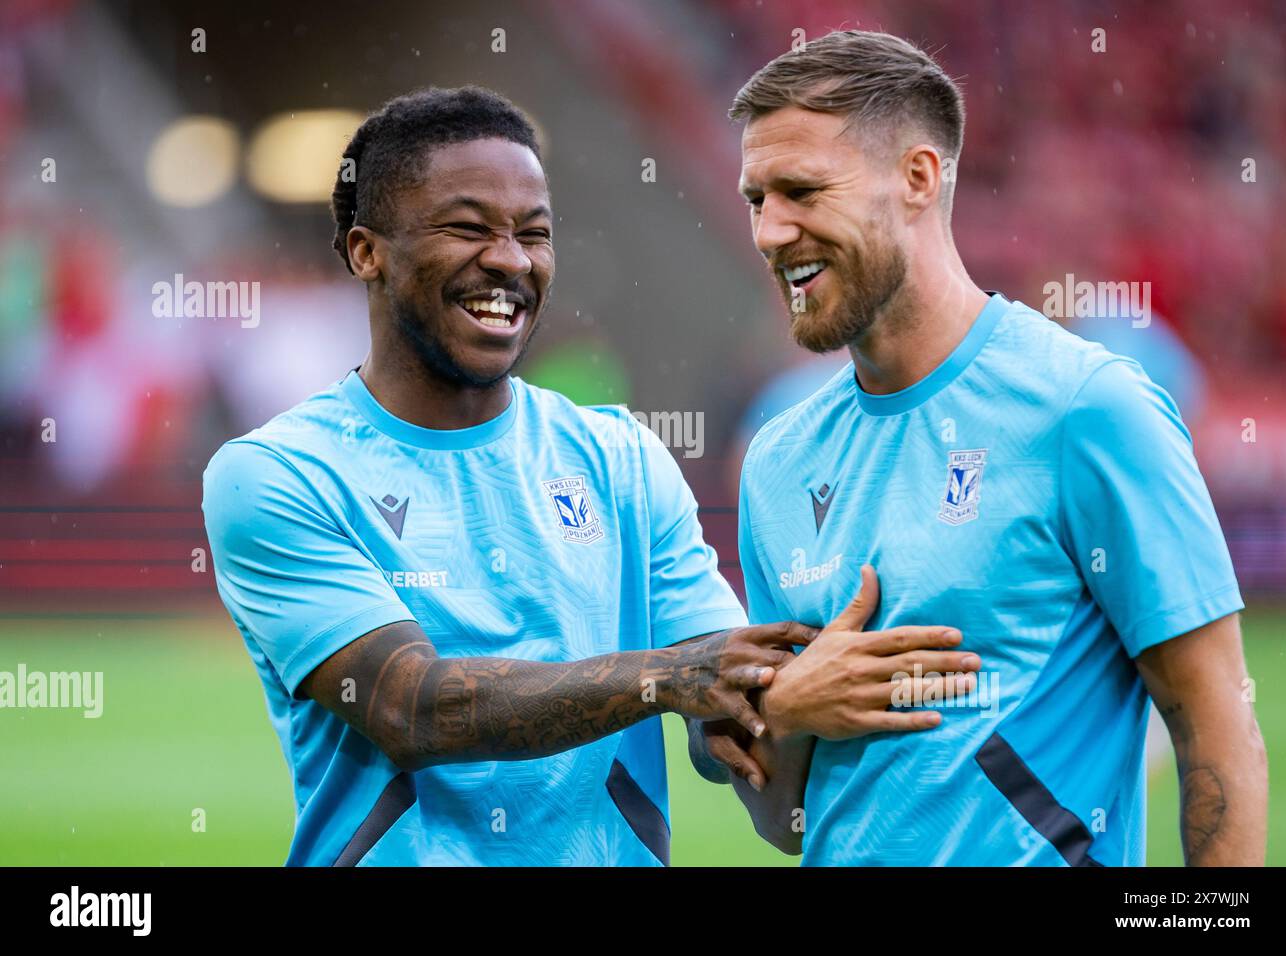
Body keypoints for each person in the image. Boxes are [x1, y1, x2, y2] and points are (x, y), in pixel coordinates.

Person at [201, 86, 971, 866]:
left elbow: (722, 719)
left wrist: (804, 688)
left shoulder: (621, 459)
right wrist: (670, 679)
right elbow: (410, 709)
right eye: (468, 228)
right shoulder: (276, 476)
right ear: (367, 251)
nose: (509, 260)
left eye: (534, 234)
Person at [698, 30, 1267, 866]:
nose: (771, 232)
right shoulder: (778, 460)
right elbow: (781, 822)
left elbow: (1217, 723)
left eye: (802, 191)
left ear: (918, 178)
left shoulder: (1086, 408)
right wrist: (782, 712)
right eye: (756, 200)